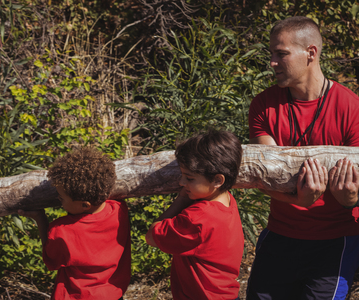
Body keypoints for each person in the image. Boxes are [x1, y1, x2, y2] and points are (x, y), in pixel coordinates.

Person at [247, 16, 359, 300]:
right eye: (271, 53)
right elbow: (266, 176)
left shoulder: (351, 108)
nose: (272, 62)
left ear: (311, 53)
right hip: (280, 234)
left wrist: (351, 199)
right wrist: (298, 200)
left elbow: (355, 194)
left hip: (334, 241)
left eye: (281, 53)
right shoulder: (263, 105)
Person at [18, 147, 131, 300]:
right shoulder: (119, 210)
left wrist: (40, 218)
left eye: (62, 198)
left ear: (85, 205)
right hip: (113, 294)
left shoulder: (62, 230)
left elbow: (51, 259)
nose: (59, 201)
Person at [145, 128, 245, 300]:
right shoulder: (228, 200)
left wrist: (180, 201)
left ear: (217, 180)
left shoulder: (197, 219)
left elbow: (152, 237)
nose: (181, 182)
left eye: (189, 178)